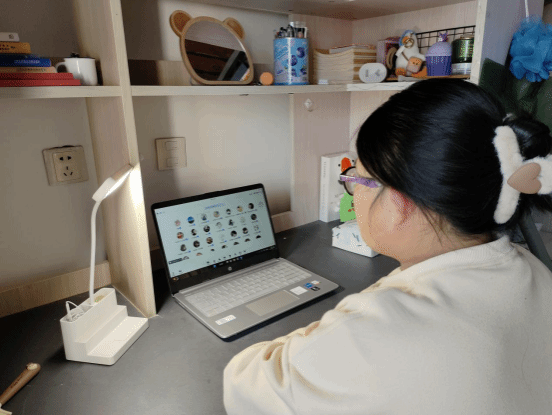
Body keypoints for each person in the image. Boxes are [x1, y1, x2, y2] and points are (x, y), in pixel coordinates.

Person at [223, 79, 552, 414]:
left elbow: (243, 385)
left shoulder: (371, 337)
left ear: (397, 203)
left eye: (357, 179)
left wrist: (325, 333)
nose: (354, 192)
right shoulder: (536, 271)